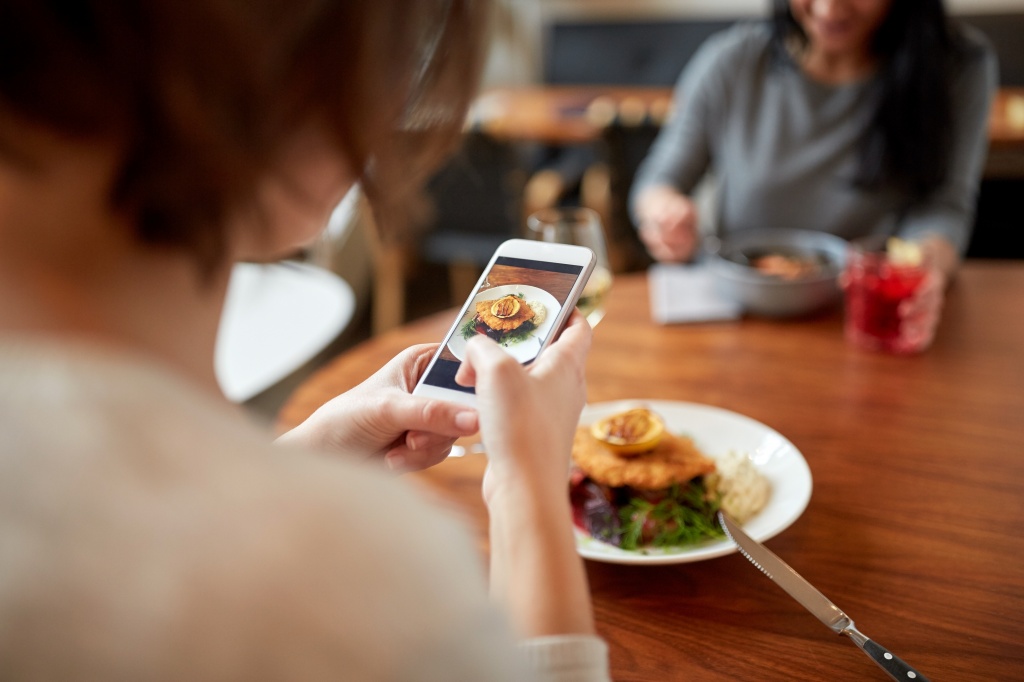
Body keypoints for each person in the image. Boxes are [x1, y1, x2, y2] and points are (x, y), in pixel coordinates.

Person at [0, 1, 610, 679]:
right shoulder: (345, 583)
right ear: (302, 78)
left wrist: (308, 455)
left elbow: (112, 541)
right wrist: (527, 483)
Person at [631, 0, 997, 349]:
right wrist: (666, 214)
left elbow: (944, 205)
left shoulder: (957, 65)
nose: (828, 9)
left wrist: (921, 267)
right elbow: (659, 180)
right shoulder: (734, 58)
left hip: (863, 319)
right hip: (739, 317)